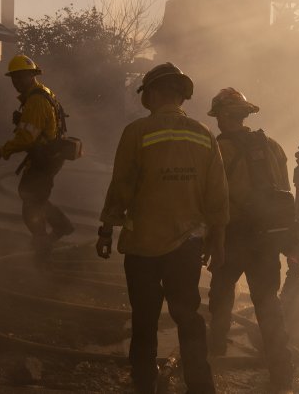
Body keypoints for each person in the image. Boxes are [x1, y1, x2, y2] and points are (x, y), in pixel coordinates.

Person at [96, 62, 228, 394]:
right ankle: (200, 384)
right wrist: (218, 239)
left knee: (144, 315)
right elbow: (218, 195)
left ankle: (144, 381)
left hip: (143, 244)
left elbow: (121, 186)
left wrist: (106, 228)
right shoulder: (204, 135)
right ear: (182, 94)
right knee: (188, 314)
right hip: (188, 243)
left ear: (152, 94)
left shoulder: (137, 132)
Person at [204, 87, 297, 391]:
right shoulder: (273, 147)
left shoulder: (217, 149)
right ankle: (281, 370)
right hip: (267, 240)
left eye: (218, 116)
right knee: (268, 303)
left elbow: (213, 200)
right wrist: (290, 242)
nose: (218, 122)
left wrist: (208, 241)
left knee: (220, 295)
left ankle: (215, 351)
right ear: (244, 116)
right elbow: (286, 195)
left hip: (231, 237)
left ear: (222, 117)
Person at [0, 54, 74, 253]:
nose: (16, 82)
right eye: (14, 78)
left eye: (21, 77)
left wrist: (4, 150)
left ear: (32, 75)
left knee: (30, 202)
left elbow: (27, 137)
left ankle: (42, 243)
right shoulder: (42, 93)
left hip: (45, 158)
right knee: (33, 197)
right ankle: (61, 227)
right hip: (49, 156)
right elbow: (40, 125)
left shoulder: (36, 100)